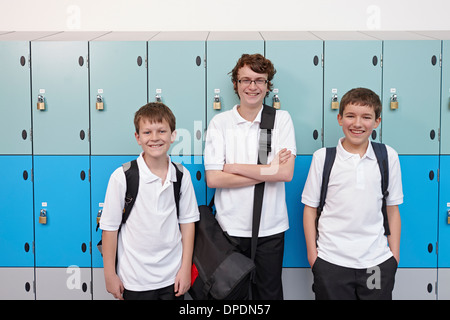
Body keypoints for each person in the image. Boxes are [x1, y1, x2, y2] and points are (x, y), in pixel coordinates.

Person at [204, 53, 296, 300]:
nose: (252, 86)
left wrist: (232, 167)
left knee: (269, 295)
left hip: (270, 230)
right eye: (245, 80)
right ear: (236, 84)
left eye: (259, 80)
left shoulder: (279, 120)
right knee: (230, 297)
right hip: (228, 230)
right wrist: (268, 172)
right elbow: (213, 179)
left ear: (268, 86)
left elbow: (285, 173)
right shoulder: (220, 123)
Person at [302, 87, 403, 300]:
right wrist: (314, 258)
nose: (357, 124)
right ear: (339, 119)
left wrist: (394, 258)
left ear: (377, 122)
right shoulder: (323, 158)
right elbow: (310, 210)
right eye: (350, 116)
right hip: (331, 262)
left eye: (366, 117)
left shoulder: (388, 156)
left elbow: (392, 209)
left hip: (376, 263)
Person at [100, 102, 199, 300]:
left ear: (173, 135)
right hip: (135, 280)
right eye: (147, 132)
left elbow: (187, 223)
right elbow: (109, 229)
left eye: (162, 131)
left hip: (172, 278)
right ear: (137, 137)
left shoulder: (181, 175)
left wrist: (185, 269)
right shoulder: (122, 177)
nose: (155, 138)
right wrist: (110, 274)